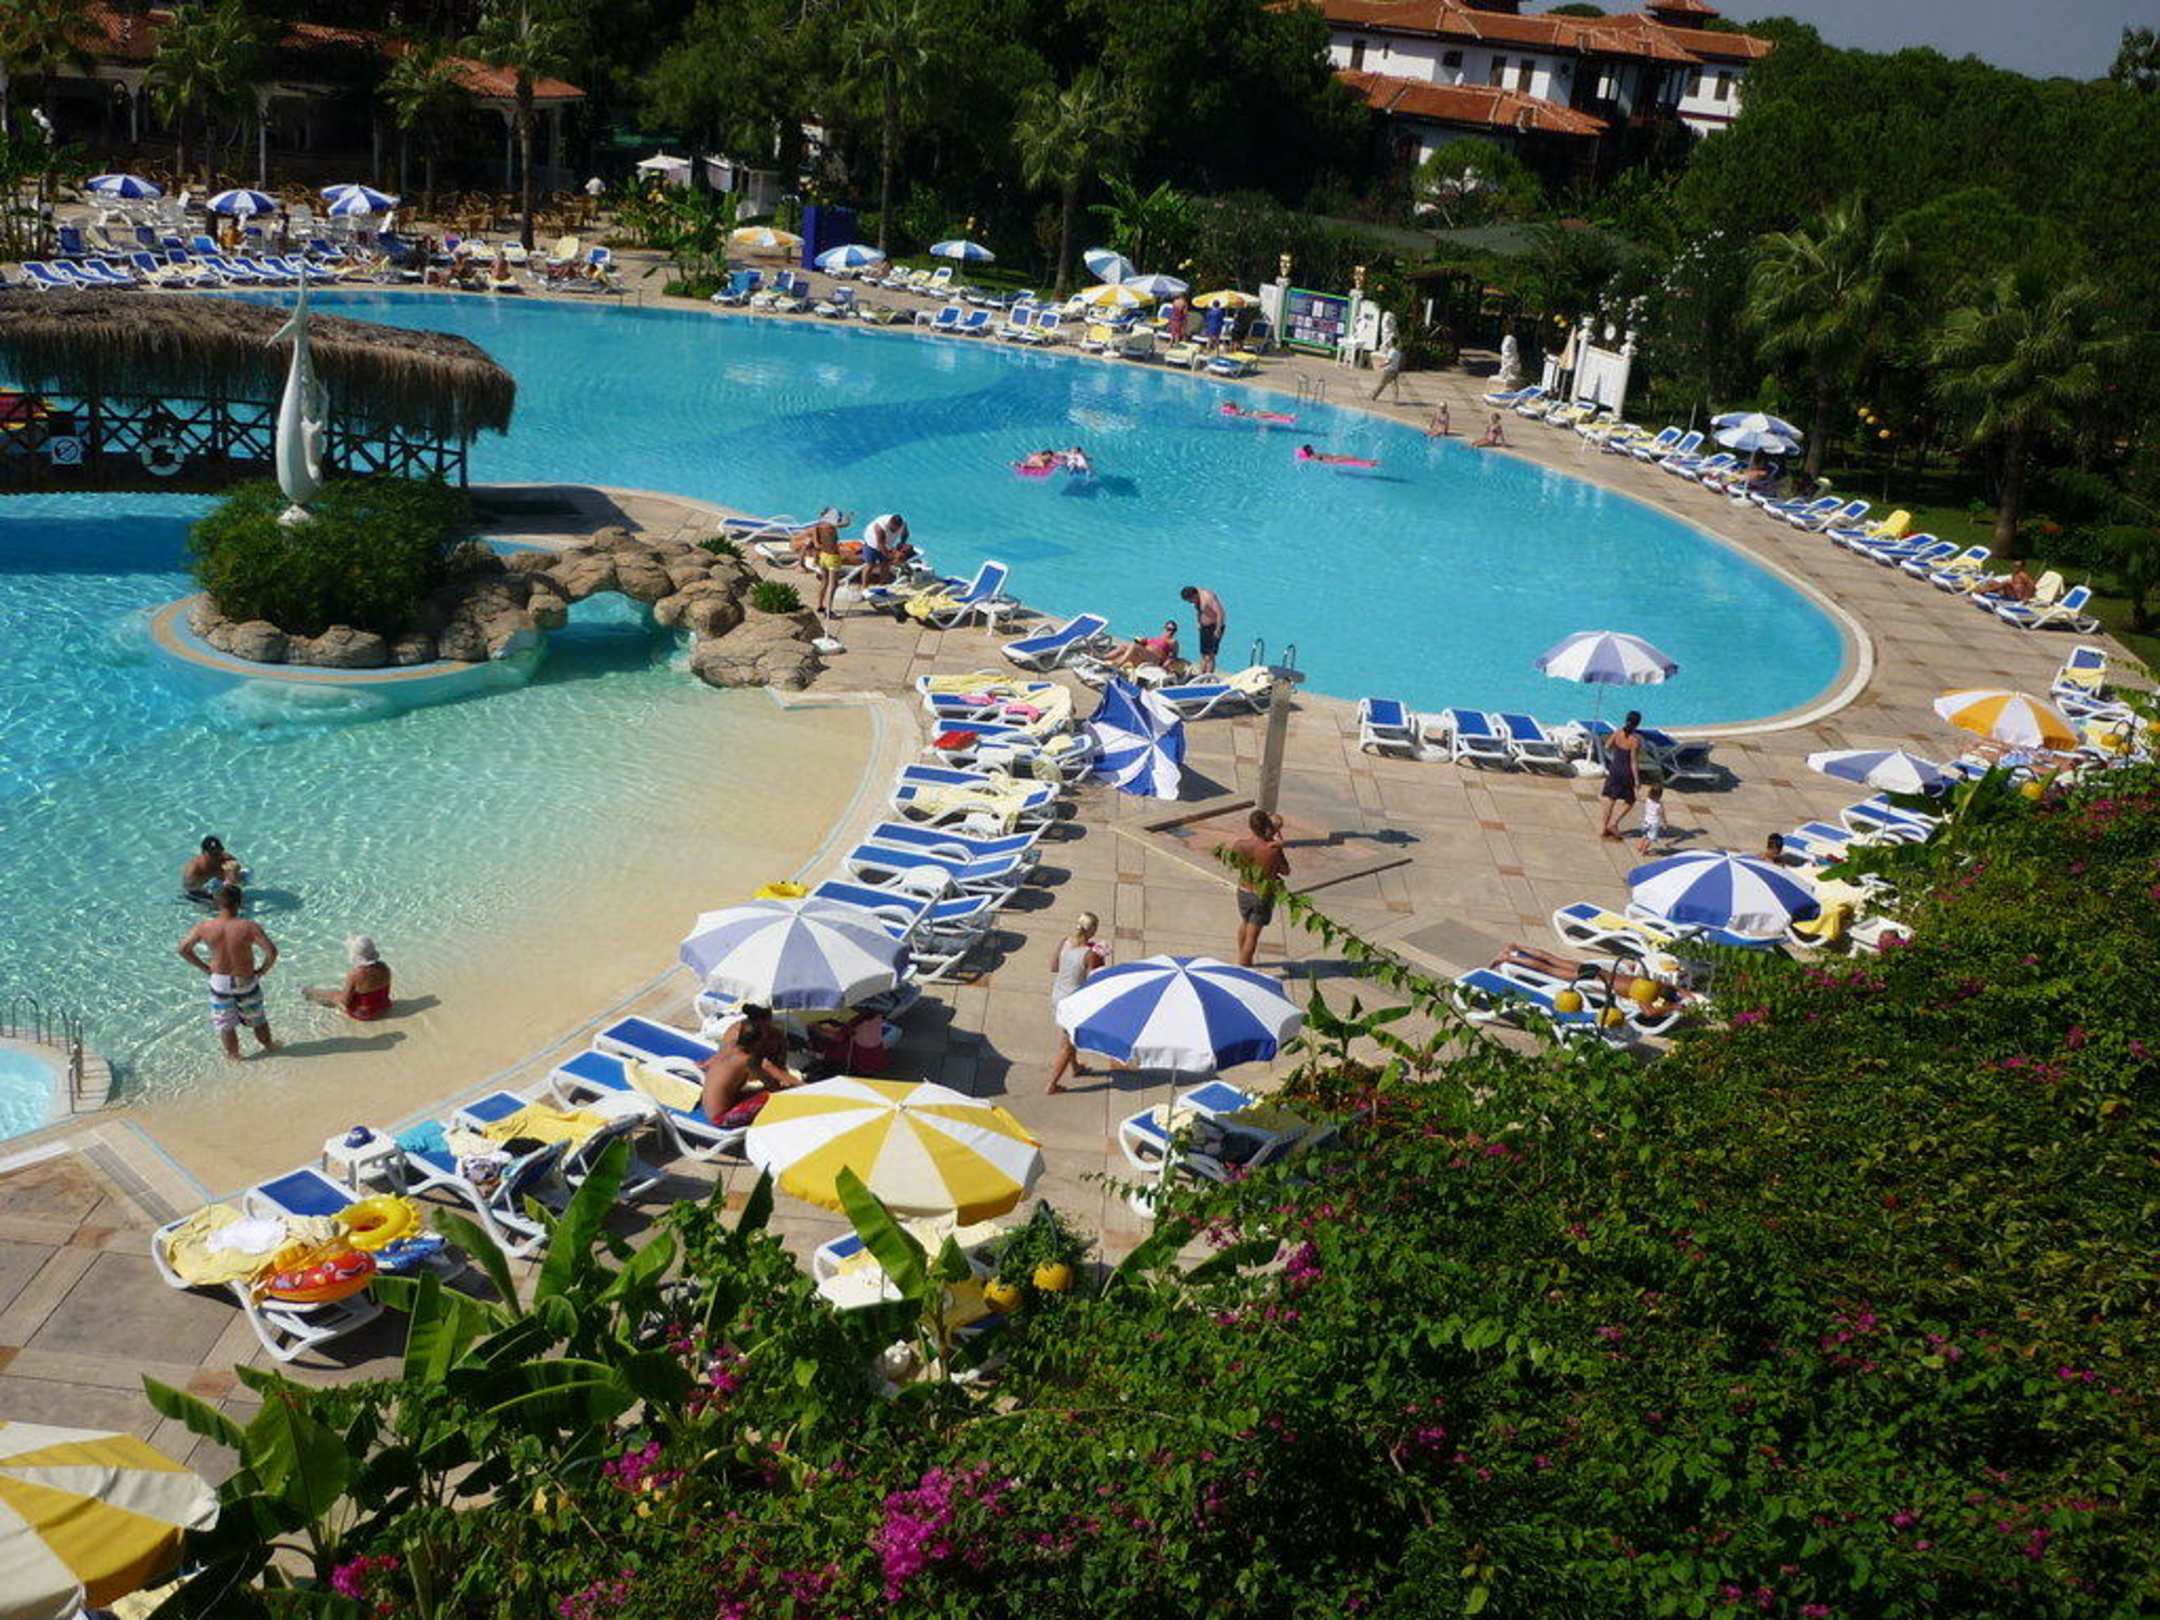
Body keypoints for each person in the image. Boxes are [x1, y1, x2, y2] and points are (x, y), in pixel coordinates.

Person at [178, 887, 278, 1060]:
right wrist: (262, 970)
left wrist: (205, 968)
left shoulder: (204, 927)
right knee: (257, 1019)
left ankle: (234, 1057)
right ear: (239, 903)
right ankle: (270, 1047)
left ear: (216, 904)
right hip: (245, 980)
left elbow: (183, 949)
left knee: (225, 1024)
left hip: (219, 982)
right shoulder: (249, 926)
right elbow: (272, 952)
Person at [699, 1004, 797, 1121]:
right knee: (774, 1097)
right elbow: (772, 1085)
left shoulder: (730, 1046)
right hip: (721, 1117)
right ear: (757, 1042)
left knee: (756, 1092)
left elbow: (708, 1064)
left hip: (710, 1109)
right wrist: (794, 1085)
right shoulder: (747, 1060)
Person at [1047, 911, 1105, 1094]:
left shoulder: (1064, 942)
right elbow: (1096, 979)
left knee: (1070, 1036)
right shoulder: (1089, 954)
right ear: (1092, 930)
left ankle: (1075, 1067)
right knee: (1067, 1044)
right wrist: (1101, 956)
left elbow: (1054, 967)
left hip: (1057, 996)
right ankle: (1052, 1084)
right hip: (1073, 1002)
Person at [1227, 809, 1290, 969]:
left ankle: (1242, 957)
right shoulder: (1272, 849)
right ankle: (1244, 967)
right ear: (1267, 826)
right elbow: (1286, 871)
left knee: (1245, 923)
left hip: (1243, 890)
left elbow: (1234, 864)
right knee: (1252, 936)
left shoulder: (1240, 845)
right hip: (1262, 894)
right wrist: (1279, 847)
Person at [303, 935, 393, 1021]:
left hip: (364, 1014)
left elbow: (345, 1001)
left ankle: (307, 992)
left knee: (332, 994)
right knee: (338, 994)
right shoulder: (384, 967)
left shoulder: (355, 974)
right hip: (384, 1007)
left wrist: (335, 997)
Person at [1599, 712, 1644, 840]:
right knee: (1630, 800)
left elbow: (1607, 746)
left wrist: (1616, 752)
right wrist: (1637, 780)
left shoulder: (1617, 733)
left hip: (1614, 769)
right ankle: (1613, 823)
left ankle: (1603, 828)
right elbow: (1633, 762)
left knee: (1611, 800)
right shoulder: (1635, 740)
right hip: (1626, 772)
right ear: (1637, 724)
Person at [180, 835, 243, 904]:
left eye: (219, 852)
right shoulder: (195, 869)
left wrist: (234, 873)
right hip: (197, 894)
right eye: (213, 854)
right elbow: (189, 890)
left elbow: (237, 883)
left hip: (218, 887)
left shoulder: (227, 860)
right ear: (203, 853)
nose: (217, 856)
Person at [1180, 584, 1227, 675]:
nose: (1190, 602)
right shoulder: (1196, 597)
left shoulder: (1208, 597)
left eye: (1190, 600)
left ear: (1194, 595)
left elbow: (1220, 613)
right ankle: (1201, 674)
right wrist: (1198, 622)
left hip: (1214, 627)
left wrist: (1218, 629)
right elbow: (1199, 611)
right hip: (1204, 628)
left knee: (1210, 655)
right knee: (1203, 654)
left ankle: (1208, 677)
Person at [1109, 620, 1179, 671]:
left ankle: (1119, 664)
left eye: (1173, 630)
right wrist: (1142, 641)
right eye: (1169, 629)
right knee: (1124, 646)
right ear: (1164, 628)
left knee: (1134, 646)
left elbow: (1173, 657)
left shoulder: (1173, 642)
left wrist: (1163, 667)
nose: (1170, 632)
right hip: (1143, 657)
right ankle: (1105, 657)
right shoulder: (1157, 638)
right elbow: (1143, 643)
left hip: (1154, 659)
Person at [1972, 561, 2037, 603]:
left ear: (2022, 567)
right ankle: (1983, 591)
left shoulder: (2022, 575)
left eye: (2018, 566)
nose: (2015, 568)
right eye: (2014, 565)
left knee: (2006, 583)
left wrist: (2027, 597)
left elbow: (2032, 585)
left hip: (2017, 597)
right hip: (2012, 593)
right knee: (1992, 582)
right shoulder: (2015, 574)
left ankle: (1983, 591)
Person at [1636, 783, 1667, 857]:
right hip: (1654, 824)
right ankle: (1644, 851)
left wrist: (1637, 791)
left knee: (1644, 835)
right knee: (1650, 838)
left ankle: (1639, 846)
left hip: (1646, 821)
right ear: (1660, 795)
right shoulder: (1659, 804)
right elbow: (1661, 814)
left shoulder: (1647, 800)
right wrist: (1664, 822)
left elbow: (1639, 799)